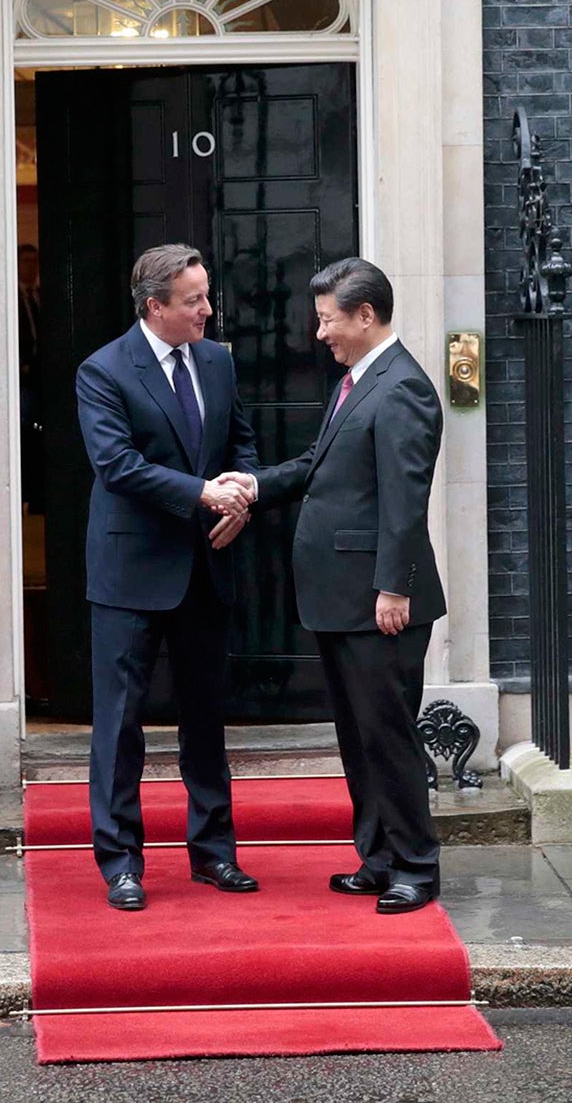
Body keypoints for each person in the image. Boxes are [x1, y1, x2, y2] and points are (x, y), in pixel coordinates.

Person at [224, 257, 447, 913]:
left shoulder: (401, 387)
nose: (319, 333)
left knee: (388, 735)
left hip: (377, 601)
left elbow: (405, 501)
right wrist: (256, 485)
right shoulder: (359, 382)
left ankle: (415, 867)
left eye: (327, 320)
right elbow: (319, 468)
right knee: (357, 737)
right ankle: (377, 859)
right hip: (341, 596)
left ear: (365, 315)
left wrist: (394, 588)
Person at [74, 243, 261, 910]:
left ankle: (215, 853)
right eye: (193, 301)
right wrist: (204, 493)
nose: (208, 310)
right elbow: (117, 465)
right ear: (154, 305)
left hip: (206, 560)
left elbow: (240, 439)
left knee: (206, 717)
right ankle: (121, 862)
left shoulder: (215, 361)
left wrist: (242, 488)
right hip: (131, 569)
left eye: (206, 295)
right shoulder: (103, 371)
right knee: (120, 723)